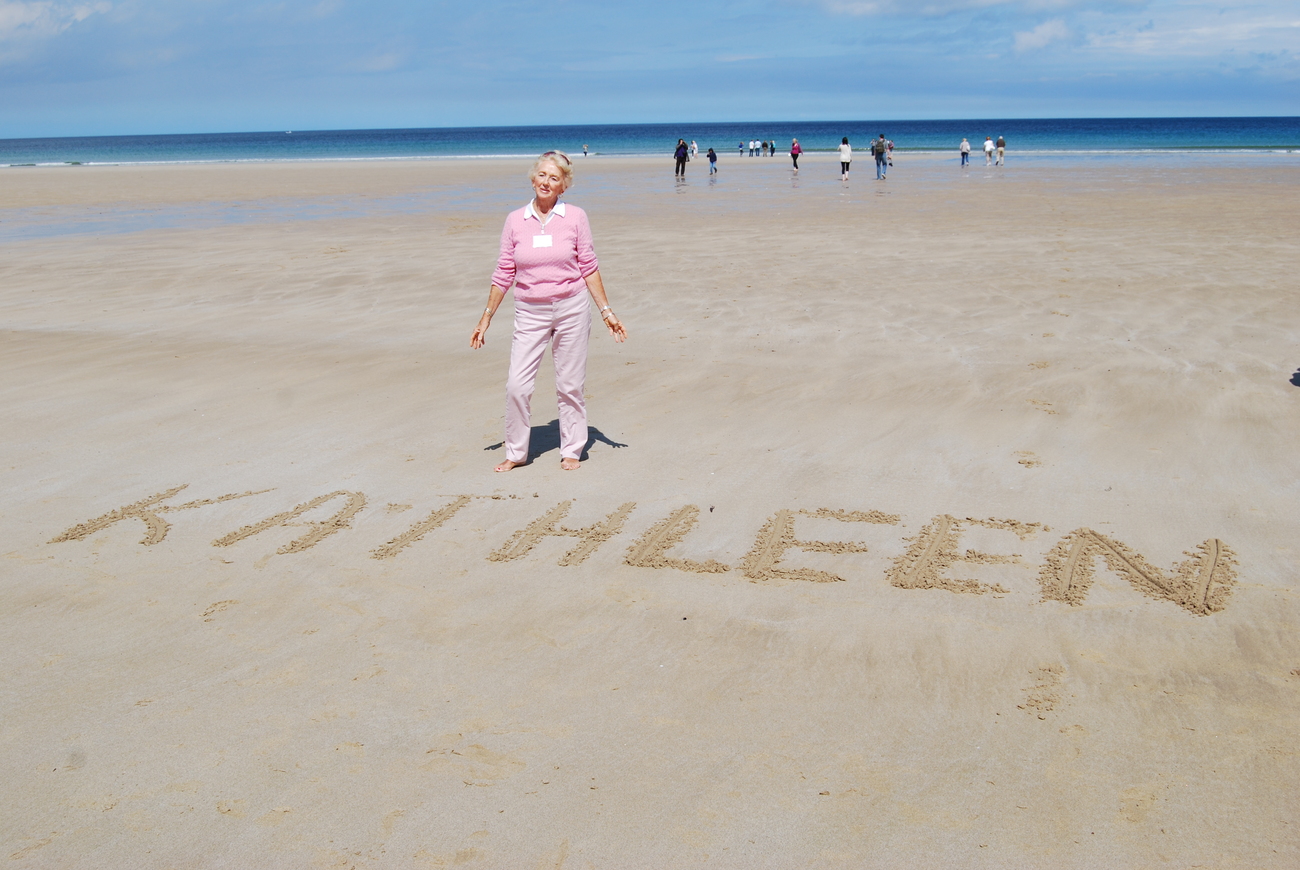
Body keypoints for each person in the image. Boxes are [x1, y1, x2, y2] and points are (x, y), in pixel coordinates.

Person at [470, 151, 628, 472]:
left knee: (570, 384)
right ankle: (516, 452)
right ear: (532, 179)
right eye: (542, 175)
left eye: (554, 178)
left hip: (572, 308)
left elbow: (589, 266)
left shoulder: (576, 217)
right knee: (517, 385)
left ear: (563, 186)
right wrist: (486, 317)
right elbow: (504, 272)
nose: (546, 182)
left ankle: (572, 448)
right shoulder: (515, 220)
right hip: (530, 311)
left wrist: (606, 311)